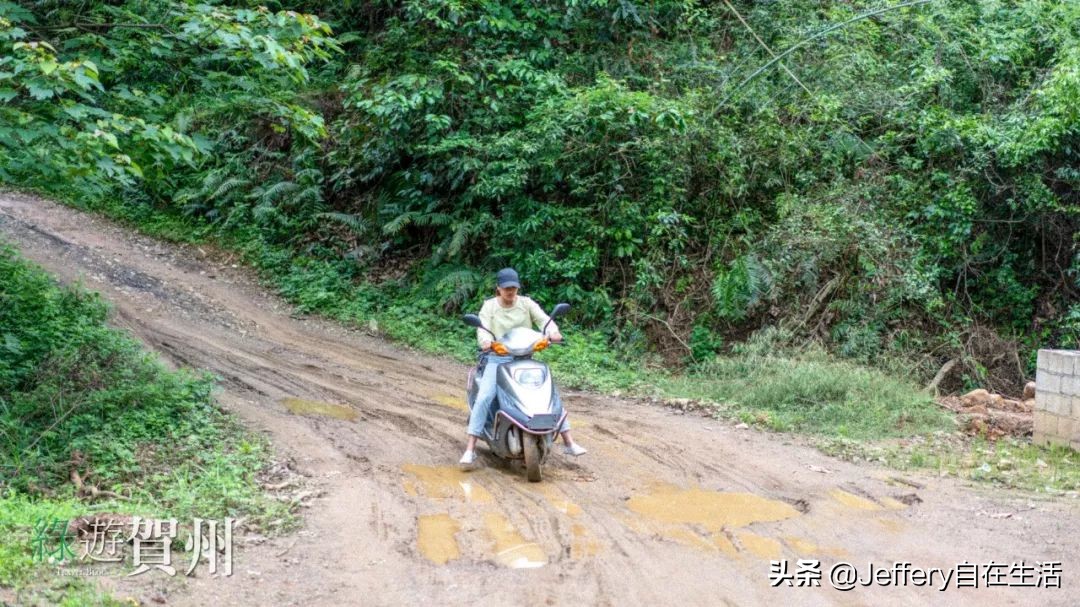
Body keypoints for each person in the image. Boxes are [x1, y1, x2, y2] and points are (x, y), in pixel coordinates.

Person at [460, 267, 587, 466]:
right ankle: (470, 448)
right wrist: (486, 342)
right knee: (485, 396)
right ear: (498, 289)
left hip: (526, 359)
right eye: (506, 288)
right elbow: (482, 328)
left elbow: (544, 320)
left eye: (514, 288)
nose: (510, 292)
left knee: (550, 394)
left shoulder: (526, 304)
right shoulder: (489, 307)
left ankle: (569, 441)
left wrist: (553, 332)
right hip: (498, 360)